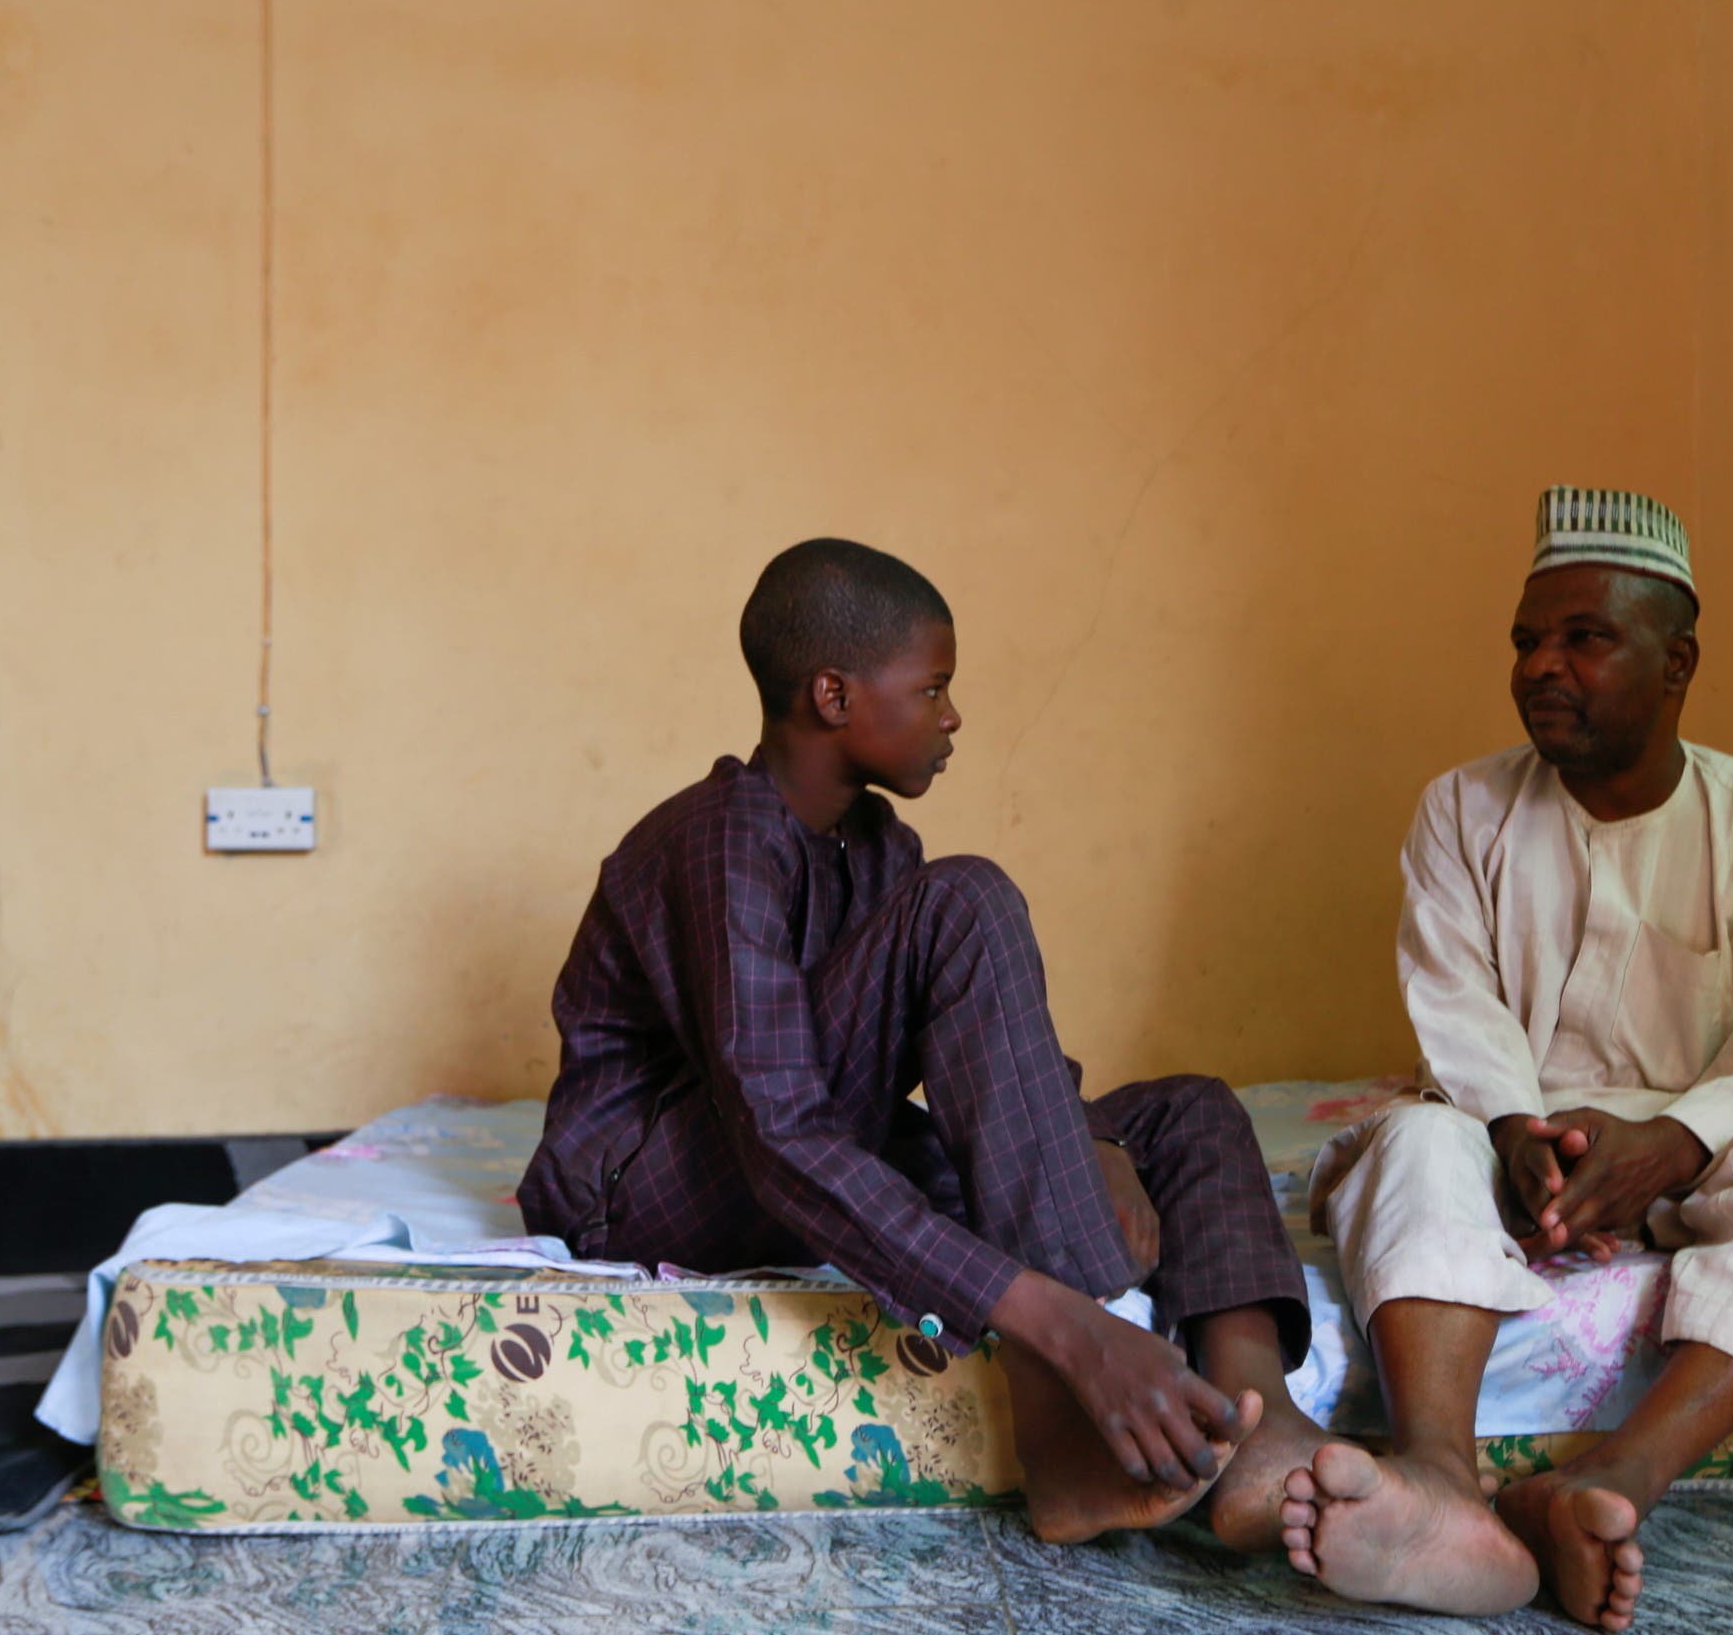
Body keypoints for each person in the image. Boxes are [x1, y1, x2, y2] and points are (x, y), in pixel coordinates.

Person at [518, 536, 1331, 1546]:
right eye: (932, 687)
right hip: (647, 1182)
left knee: (1186, 1111)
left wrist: (1094, 1142)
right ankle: (1062, 1413)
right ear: (833, 696)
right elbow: (778, 1132)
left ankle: (1264, 1425)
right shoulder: (721, 838)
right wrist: (1051, 1311)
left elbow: (985, 1063)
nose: (952, 718)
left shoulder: (878, 848)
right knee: (970, 895)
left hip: (805, 1134)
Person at [1282, 487, 1733, 1629]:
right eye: (1527, 641)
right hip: (1510, 1148)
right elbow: (1455, 1004)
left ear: (1677, 661)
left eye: (1583, 639)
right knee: (1412, 1140)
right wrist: (1510, 1131)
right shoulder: (1460, 809)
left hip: (1710, 1153)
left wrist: (1673, 1145)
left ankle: (1608, 1481)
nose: (1542, 665)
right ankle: (1438, 1477)